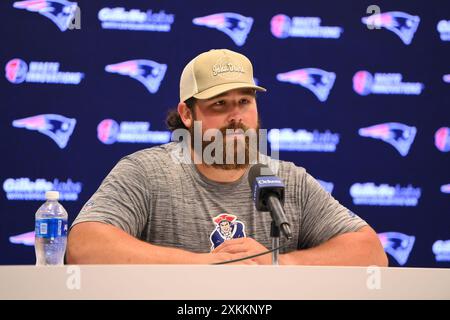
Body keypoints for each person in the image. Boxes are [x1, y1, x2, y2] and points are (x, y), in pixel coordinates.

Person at [67, 49, 388, 266]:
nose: (236, 116)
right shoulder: (146, 171)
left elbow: (370, 252)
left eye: (244, 101)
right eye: (219, 104)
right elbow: (84, 246)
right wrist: (205, 264)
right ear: (187, 114)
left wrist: (278, 261)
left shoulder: (286, 178)